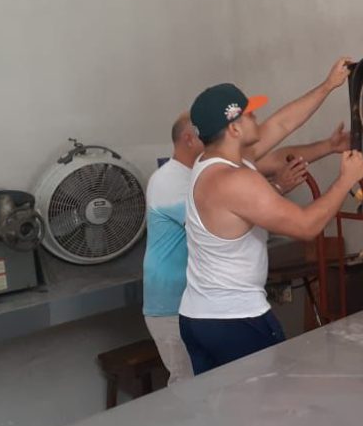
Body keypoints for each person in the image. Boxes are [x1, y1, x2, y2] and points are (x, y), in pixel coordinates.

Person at [143, 59, 352, 381]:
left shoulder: (209, 163)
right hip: (235, 319)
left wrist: (329, 85)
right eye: (250, 114)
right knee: (266, 405)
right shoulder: (235, 179)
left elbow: (282, 123)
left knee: (220, 404)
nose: (258, 119)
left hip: (198, 317)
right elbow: (307, 226)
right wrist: (346, 179)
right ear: (234, 129)